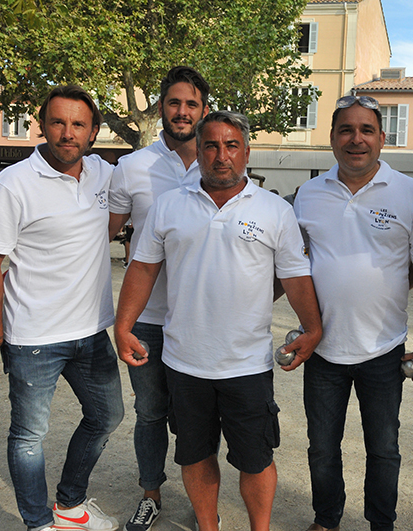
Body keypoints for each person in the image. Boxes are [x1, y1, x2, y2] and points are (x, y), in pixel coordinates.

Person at [114, 110, 322, 531]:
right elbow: (143, 269)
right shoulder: (170, 205)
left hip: (246, 365)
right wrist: (123, 326)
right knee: (195, 455)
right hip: (184, 362)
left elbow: (295, 276)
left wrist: (313, 328)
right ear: (199, 150)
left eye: (231, 146)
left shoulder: (274, 210)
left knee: (256, 459)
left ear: (247, 152)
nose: (221, 155)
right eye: (210, 145)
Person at [0, 85, 124, 531]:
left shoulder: (103, 173)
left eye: (78, 125)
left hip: (91, 331)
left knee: (107, 416)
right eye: (58, 122)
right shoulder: (13, 184)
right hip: (33, 337)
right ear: (42, 126)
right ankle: (38, 524)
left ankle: (70, 506)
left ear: (93, 132)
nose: (68, 133)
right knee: (29, 435)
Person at [294, 95, 413, 531]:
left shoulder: (412, 195)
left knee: (383, 448)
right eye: (346, 130)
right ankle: (327, 519)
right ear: (332, 138)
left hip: (383, 349)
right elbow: (293, 268)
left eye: (366, 130)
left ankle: (382, 523)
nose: (355, 139)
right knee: (322, 447)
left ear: (382, 138)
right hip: (322, 349)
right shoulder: (308, 194)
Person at [108, 65, 210, 531]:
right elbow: (101, 235)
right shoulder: (132, 167)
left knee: (198, 418)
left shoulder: (219, 161)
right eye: (174, 103)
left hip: (200, 319)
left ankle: (202, 502)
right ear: (161, 107)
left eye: (191, 104)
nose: (182, 111)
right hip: (147, 318)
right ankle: (150, 493)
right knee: (149, 413)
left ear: (203, 110)